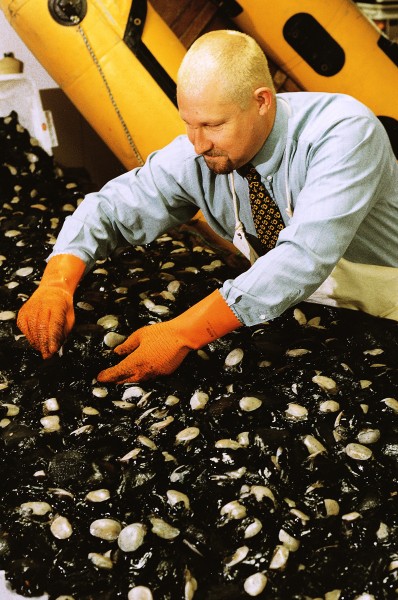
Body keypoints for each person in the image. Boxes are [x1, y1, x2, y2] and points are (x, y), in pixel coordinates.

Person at [17, 30, 398, 383]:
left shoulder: (345, 133)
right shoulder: (201, 154)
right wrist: (57, 282)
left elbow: (303, 257)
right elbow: (112, 207)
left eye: (213, 125)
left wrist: (183, 333)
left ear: (262, 101)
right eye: (188, 123)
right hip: (298, 316)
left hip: (385, 314)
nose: (198, 144)